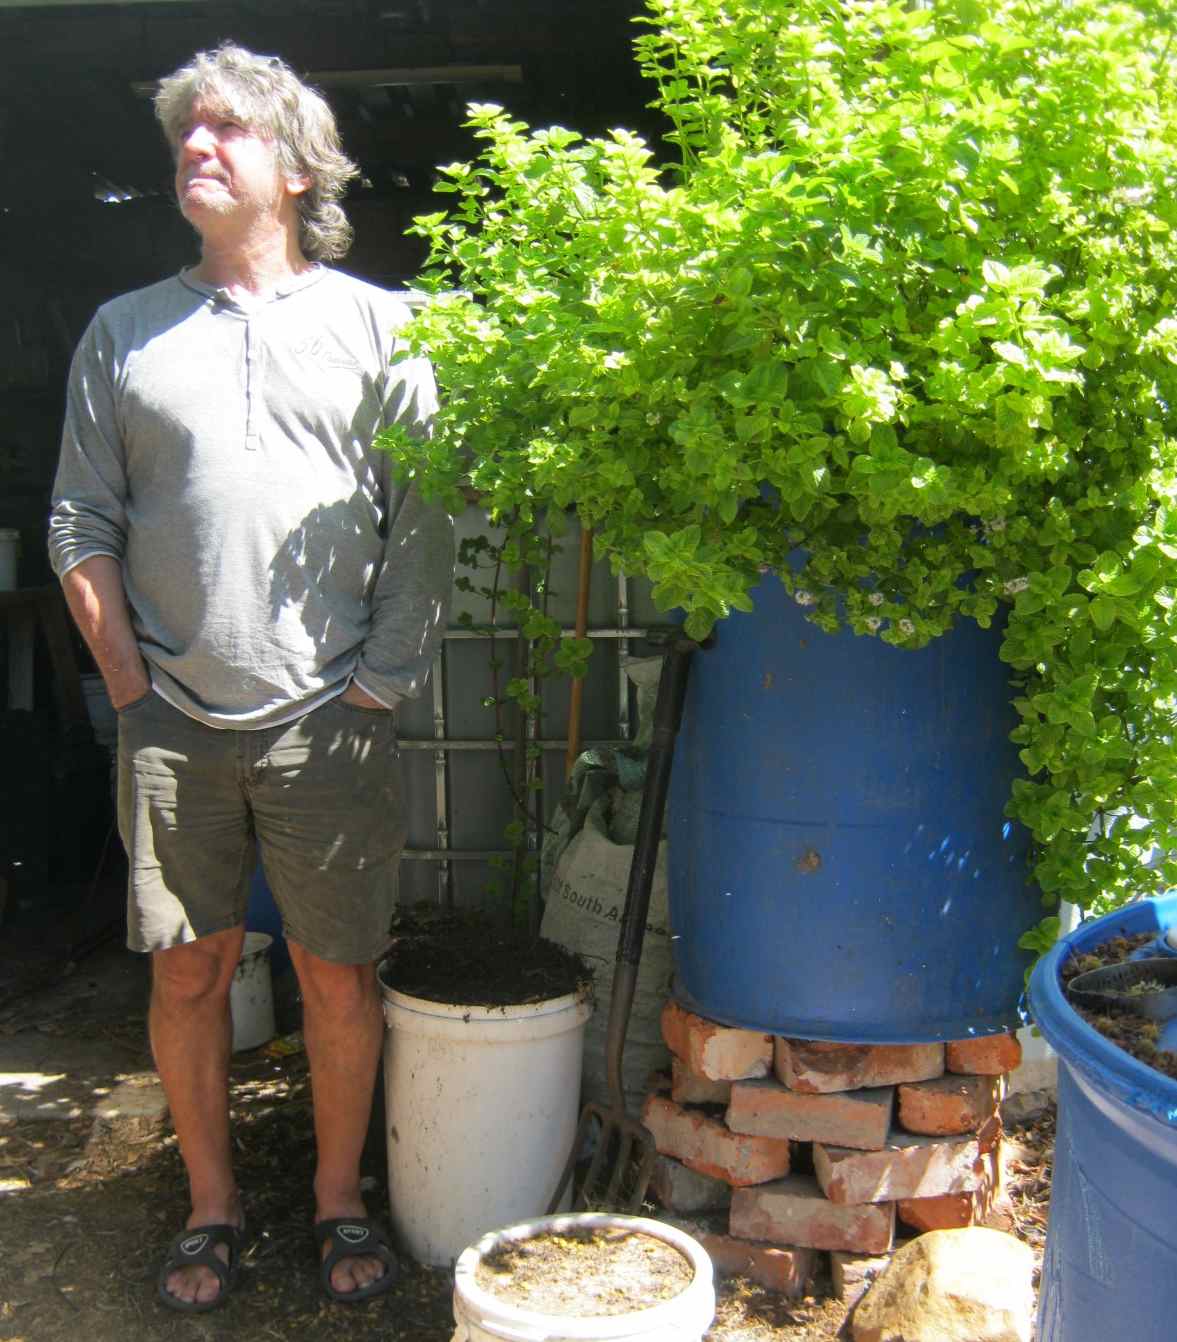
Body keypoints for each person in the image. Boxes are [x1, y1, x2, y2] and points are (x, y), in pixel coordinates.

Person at [47, 43, 453, 1312]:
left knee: (337, 972)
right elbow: (78, 520)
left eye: (226, 131)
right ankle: (211, 1207)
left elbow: (425, 517)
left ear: (295, 165)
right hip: (171, 719)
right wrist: (127, 681)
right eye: (186, 133)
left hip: (331, 718)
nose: (197, 149)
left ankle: (338, 1198)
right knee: (187, 968)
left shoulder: (383, 325)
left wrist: (379, 682)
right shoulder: (125, 333)